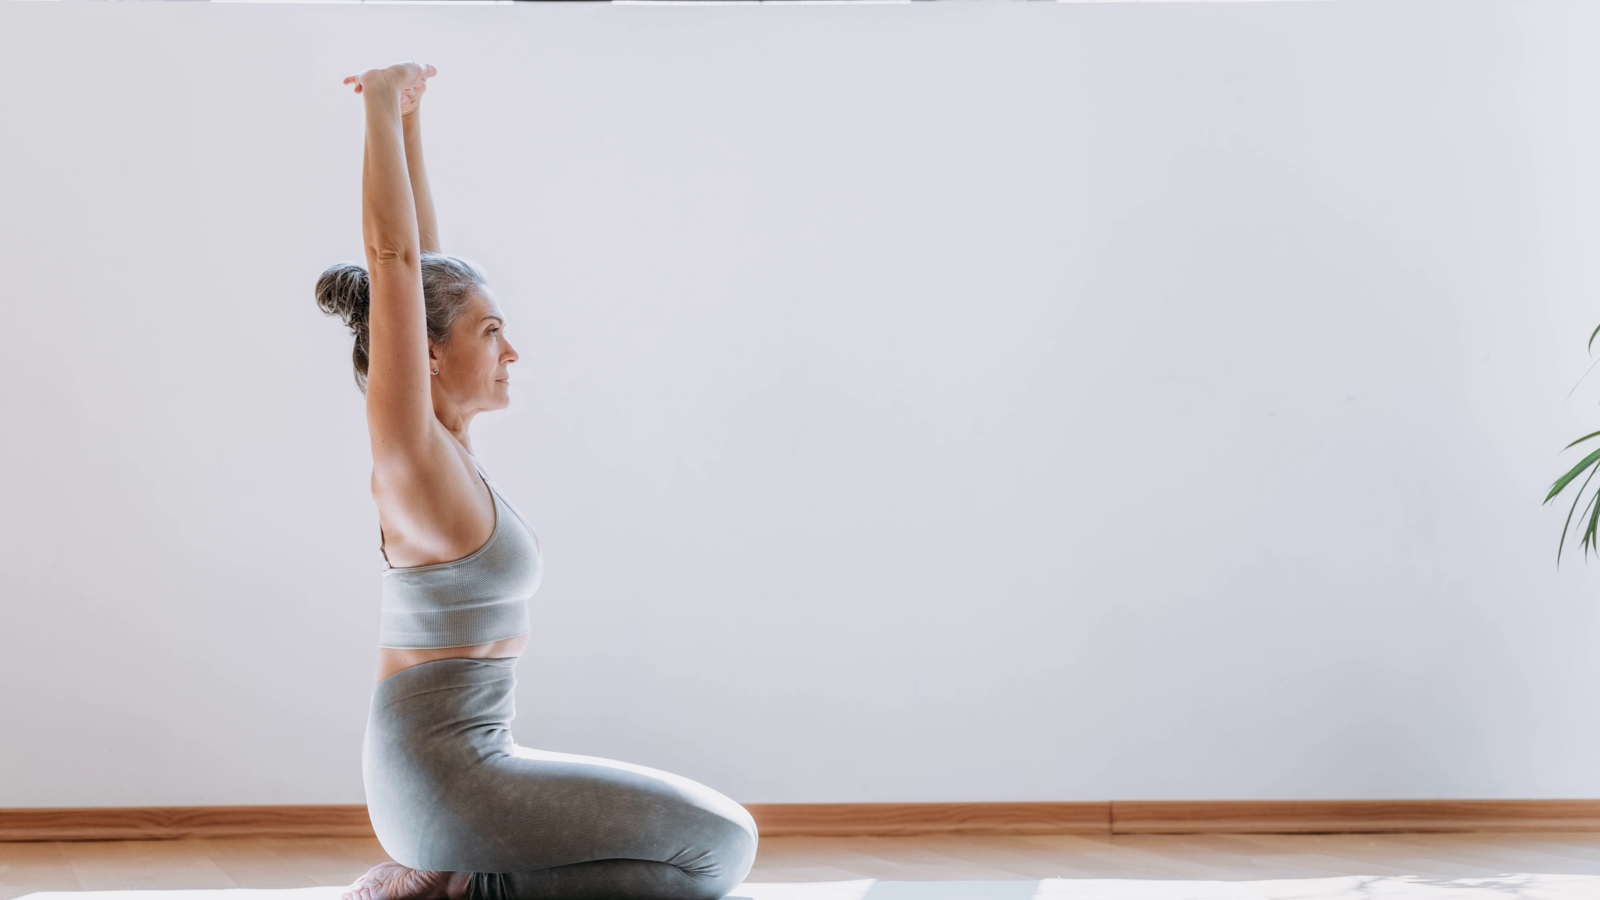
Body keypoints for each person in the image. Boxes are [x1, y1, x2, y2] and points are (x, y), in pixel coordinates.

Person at [318, 62, 757, 900]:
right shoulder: (411, 458)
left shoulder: (448, 448)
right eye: (492, 332)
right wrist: (378, 104)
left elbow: (423, 264)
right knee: (719, 849)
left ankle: (447, 882)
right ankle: (452, 891)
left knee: (698, 855)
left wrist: (412, 123)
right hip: (441, 783)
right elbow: (397, 261)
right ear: (432, 352)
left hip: (468, 773)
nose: (511, 352)